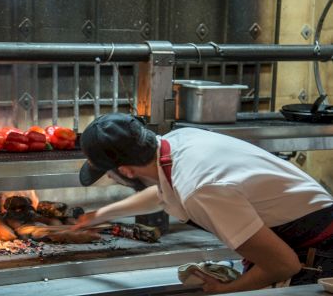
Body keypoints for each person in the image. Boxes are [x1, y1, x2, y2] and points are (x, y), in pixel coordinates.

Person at [76, 112, 333, 294]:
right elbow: (165, 192)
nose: (109, 178)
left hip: (319, 255)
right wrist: (99, 214)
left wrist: (223, 289)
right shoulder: (178, 141)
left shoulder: (200, 188)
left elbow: (283, 264)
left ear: (127, 171)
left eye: (108, 172)